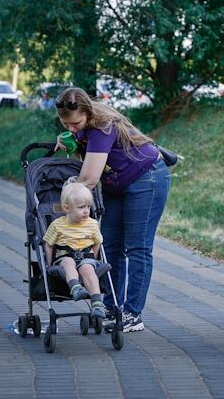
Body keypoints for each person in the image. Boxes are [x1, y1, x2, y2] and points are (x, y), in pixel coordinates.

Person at [53, 87, 171, 333]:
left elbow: (88, 179)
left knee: (137, 247)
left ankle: (132, 313)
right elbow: (84, 163)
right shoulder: (83, 129)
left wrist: (66, 205)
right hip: (119, 183)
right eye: (65, 124)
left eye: (75, 123)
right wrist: (73, 142)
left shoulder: (102, 126)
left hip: (147, 178)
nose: (71, 128)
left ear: (87, 113)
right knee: (109, 245)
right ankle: (111, 306)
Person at [43, 177, 105, 318]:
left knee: (88, 269)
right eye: (81, 207)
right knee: (68, 262)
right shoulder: (57, 225)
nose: (86, 211)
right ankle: (76, 288)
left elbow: (97, 242)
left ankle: (97, 304)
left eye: (88, 207)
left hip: (86, 257)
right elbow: (48, 244)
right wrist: (48, 262)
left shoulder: (92, 224)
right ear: (66, 208)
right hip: (65, 256)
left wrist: (93, 258)